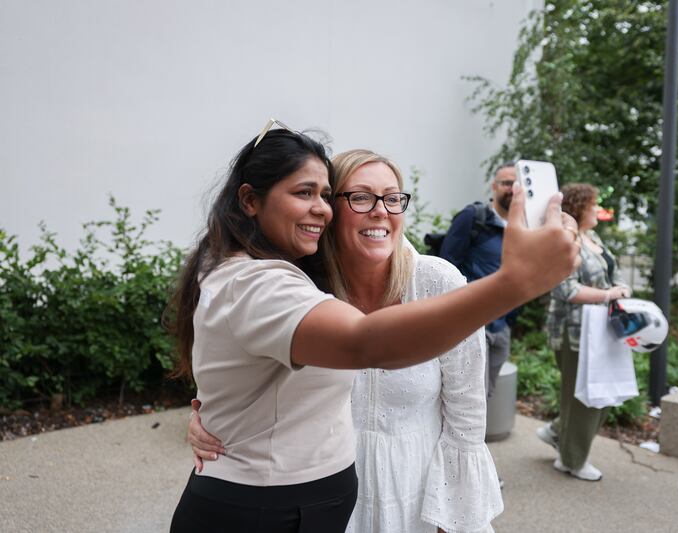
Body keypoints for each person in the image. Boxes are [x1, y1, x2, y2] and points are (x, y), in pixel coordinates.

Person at [168, 122, 580, 533]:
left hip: (413, 493)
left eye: (392, 198)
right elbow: (355, 343)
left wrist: (453, 514)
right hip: (310, 504)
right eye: (360, 197)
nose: (380, 210)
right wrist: (514, 283)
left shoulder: (437, 282)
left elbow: (466, 418)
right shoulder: (299, 283)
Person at [538, 182, 631, 482]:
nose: (597, 209)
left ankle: (556, 432)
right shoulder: (564, 240)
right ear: (578, 207)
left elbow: (609, 274)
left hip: (600, 330)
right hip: (575, 331)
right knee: (584, 398)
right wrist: (608, 295)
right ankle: (571, 460)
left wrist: (620, 289)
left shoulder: (592, 238)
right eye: (592, 205)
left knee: (601, 393)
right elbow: (565, 288)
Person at [439, 163, 517, 397]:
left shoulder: (521, 228)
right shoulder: (473, 217)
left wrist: (510, 319)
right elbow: (447, 267)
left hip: (501, 327)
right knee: (467, 397)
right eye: (506, 183)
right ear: (494, 186)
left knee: (485, 396)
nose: (512, 189)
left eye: (517, 184)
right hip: (471, 324)